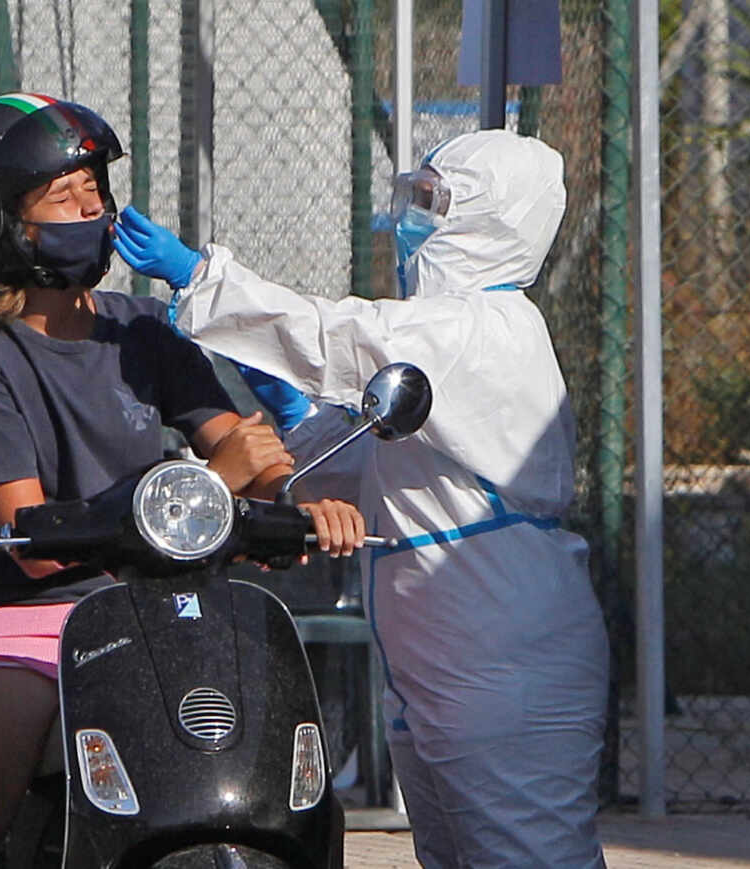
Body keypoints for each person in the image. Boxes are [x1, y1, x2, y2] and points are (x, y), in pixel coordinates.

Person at [114, 129, 610, 868]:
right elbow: (368, 470)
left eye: (434, 202)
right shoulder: (452, 337)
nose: (414, 218)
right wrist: (298, 420)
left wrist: (201, 278)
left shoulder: (481, 328)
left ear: (491, 217)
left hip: (503, 656)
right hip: (444, 654)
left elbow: (341, 334)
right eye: (413, 196)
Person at [0, 93, 364, 869]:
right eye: (64, 195)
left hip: (175, 609)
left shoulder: (144, 329)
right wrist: (210, 479)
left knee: (299, 793)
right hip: (28, 622)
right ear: (0, 222)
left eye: (95, 188)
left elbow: (247, 454)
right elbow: (29, 536)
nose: (91, 208)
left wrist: (300, 504)